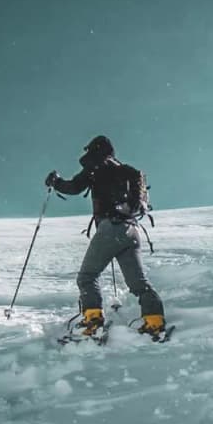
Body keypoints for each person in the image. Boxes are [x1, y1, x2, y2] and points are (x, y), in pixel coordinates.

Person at [45, 135, 166, 337]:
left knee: (87, 277)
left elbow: (74, 187)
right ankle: (154, 320)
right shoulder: (126, 171)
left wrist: (55, 182)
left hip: (111, 228)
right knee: (139, 284)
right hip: (132, 230)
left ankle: (93, 321)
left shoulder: (97, 167)